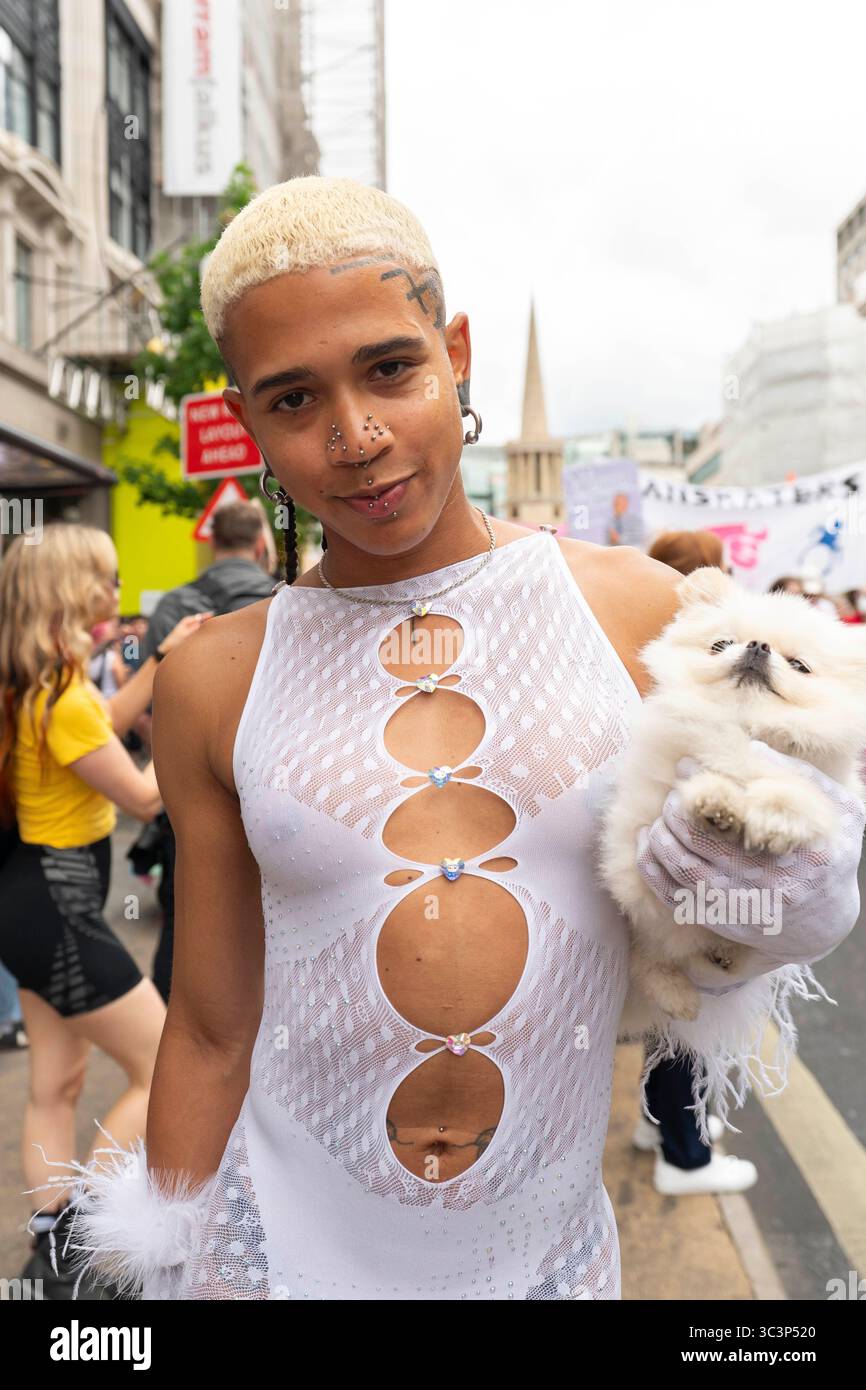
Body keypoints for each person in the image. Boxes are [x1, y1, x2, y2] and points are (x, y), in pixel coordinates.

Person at [46, 176, 864, 1302]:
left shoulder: (636, 615)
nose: (357, 434)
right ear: (247, 426)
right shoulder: (212, 675)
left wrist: (789, 892)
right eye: (293, 399)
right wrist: (163, 1254)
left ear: (456, 351)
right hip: (265, 1257)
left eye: (390, 367)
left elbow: (739, 927)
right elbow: (207, 1029)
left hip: (544, 1264)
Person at [0, 523, 208, 1296]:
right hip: (61, 909)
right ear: (67, 592)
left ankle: (55, 1246)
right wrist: (194, 720)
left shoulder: (41, 684)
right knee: (163, 1067)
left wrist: (158, 658)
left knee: (55, 1083)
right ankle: (88, 1241)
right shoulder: (64, 697)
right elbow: (148, 795)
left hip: (28, 904)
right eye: (104, 578)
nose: (115, 592)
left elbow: (101, 725)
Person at [640, 530, 757, 1194]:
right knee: (686, 1013)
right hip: (687, 852)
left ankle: (660, 1125)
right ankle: (682, 1153)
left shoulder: (638, 634)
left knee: (668, 1009)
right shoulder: (700, 645)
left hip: (661, 847)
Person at [135, 501, 277, 1002]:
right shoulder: (283, 600)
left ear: (210, 542)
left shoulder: (175, 605)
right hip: (280, 791)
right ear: (261, 545)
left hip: (192, 789)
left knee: (192, 916)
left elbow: (147, 701)